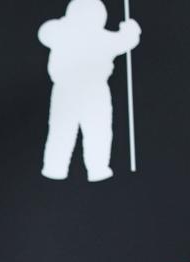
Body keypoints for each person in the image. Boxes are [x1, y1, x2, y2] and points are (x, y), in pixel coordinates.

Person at [38, 0, 140, 182]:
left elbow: (45, 32)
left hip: (86, 90)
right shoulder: (69, 33)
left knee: (89, 130)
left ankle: (82, 167)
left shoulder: (65, 33)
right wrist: (130, 31)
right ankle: (79, 168)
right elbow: (125, 41)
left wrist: (130, 33)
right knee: (79, 130)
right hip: (75, 89)